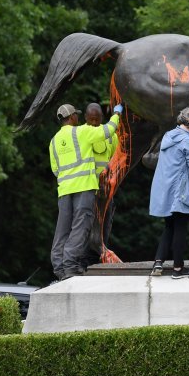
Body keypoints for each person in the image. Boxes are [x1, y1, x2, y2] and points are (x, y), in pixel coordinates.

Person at [49, 102, 122, 280]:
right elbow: (108, 130)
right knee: (80, 228)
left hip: (65, 190)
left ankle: (59, 267)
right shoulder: (81, 132)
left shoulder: (54, 141)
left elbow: (55, 169)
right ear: (72, 117)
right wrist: (117, 114)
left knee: (63, 229)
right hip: (84, 188)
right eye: (77, 115)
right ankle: (71, 265)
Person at [149, 107, 189, 278]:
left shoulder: (169, 136)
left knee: (169, 226)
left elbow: (178, 160)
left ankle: (158, 263)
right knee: (180, 228)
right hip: (181, 192)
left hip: (167, 190)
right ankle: (178, 269)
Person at [84, 103, 121, 269]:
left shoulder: (110, 135)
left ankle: (99, 261)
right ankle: (84, 262)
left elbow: (115, 159)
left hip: (105, 191)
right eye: (91, 119)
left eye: (97, 119)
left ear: (101, 118)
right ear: (85, 118)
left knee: (104, 227)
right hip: (87, 189)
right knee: (85, 227)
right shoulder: (82, 133)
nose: (93, 122)